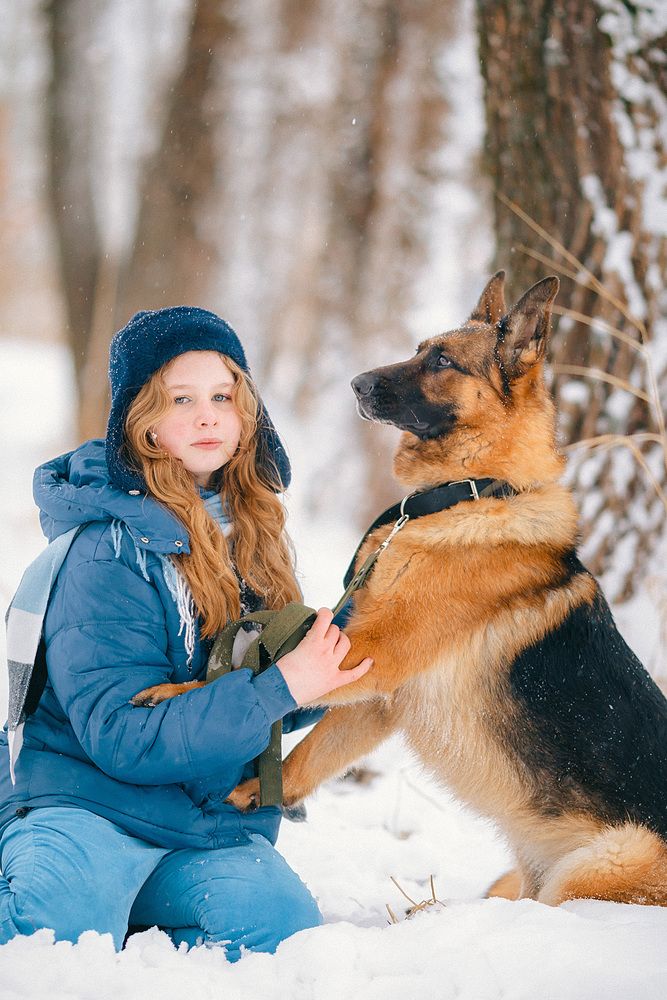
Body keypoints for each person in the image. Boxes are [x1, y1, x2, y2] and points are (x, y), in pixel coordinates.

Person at [0, 307, 372, 958]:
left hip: (197, 823)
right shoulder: (104, 553)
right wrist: (278, 687)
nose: (207, 416)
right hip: (87, 805)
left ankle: (128, 907)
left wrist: (336, 665)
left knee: (280, 930)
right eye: (182, 399)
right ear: (141, 424)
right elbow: (122, 737)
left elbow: (256, 690)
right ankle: (78, 891)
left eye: (222, 397)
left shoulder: (249, 532)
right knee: (51, 935)